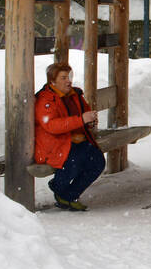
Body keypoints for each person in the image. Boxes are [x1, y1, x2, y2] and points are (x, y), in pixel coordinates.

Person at [34, 62, 105, 211]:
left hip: (77, 141)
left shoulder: (75, 95)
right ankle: (62, 189)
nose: (69, 81)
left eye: (69, 76)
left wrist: (90, 121)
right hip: (54, 146)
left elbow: (85, 113)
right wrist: (81, 119)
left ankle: (66, 195)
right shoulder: (46, 99)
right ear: (52, 81)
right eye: (64, 77)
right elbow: (51, 125)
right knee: (73, 160)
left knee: (97, 161)